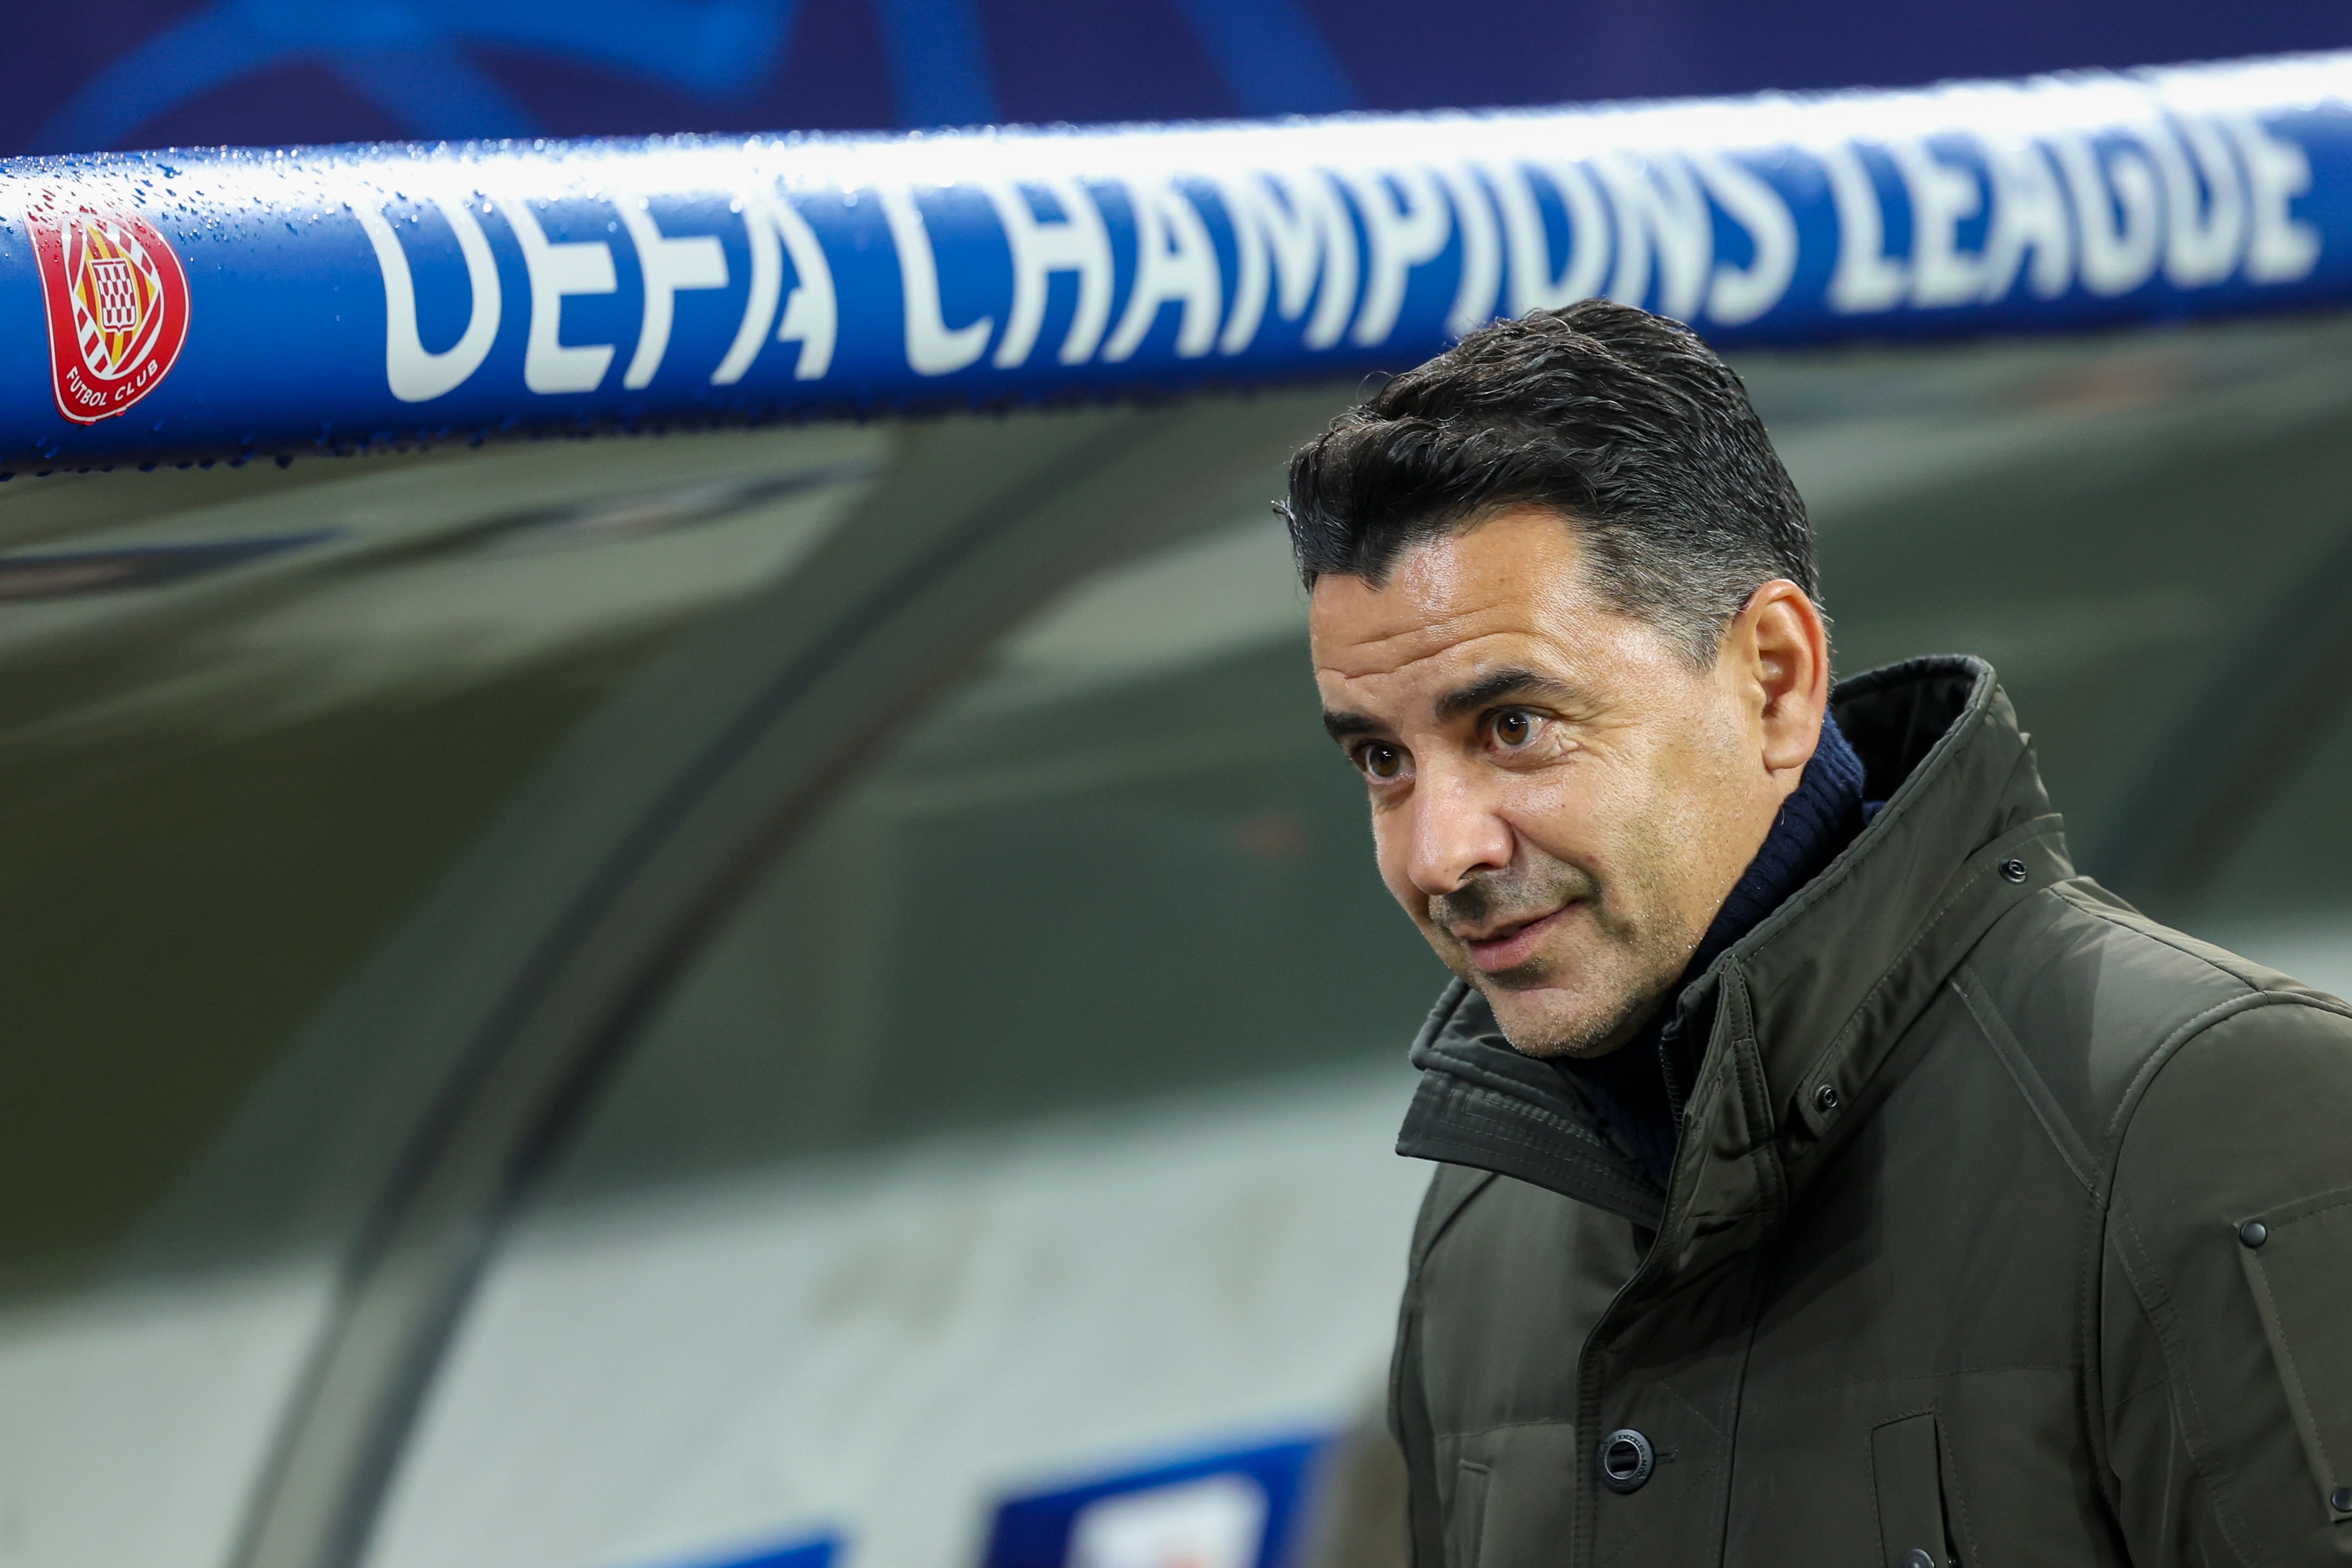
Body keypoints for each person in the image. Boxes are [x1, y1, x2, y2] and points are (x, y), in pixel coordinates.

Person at [1283, 300, 2352, 1566]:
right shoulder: (1482, 1218)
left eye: (1513, 724)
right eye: (1381, 759)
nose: (1436, 851)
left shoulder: (2209, 1117)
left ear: (1775, 677)